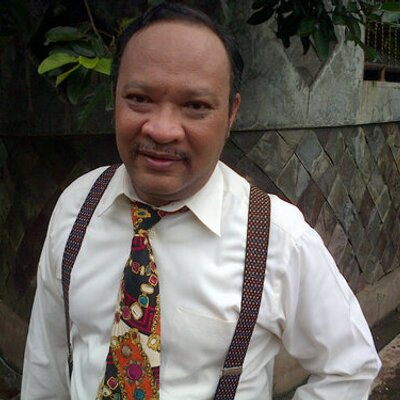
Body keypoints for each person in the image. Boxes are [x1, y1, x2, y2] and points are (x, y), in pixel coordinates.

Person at [22, 3, 381, 400]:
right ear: (115, 97)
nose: (162, 129)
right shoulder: (78, 207)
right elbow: (46, 364)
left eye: (195, 106)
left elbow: (348, 366)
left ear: (231, 113)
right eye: (139, 98)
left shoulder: (278, 239)